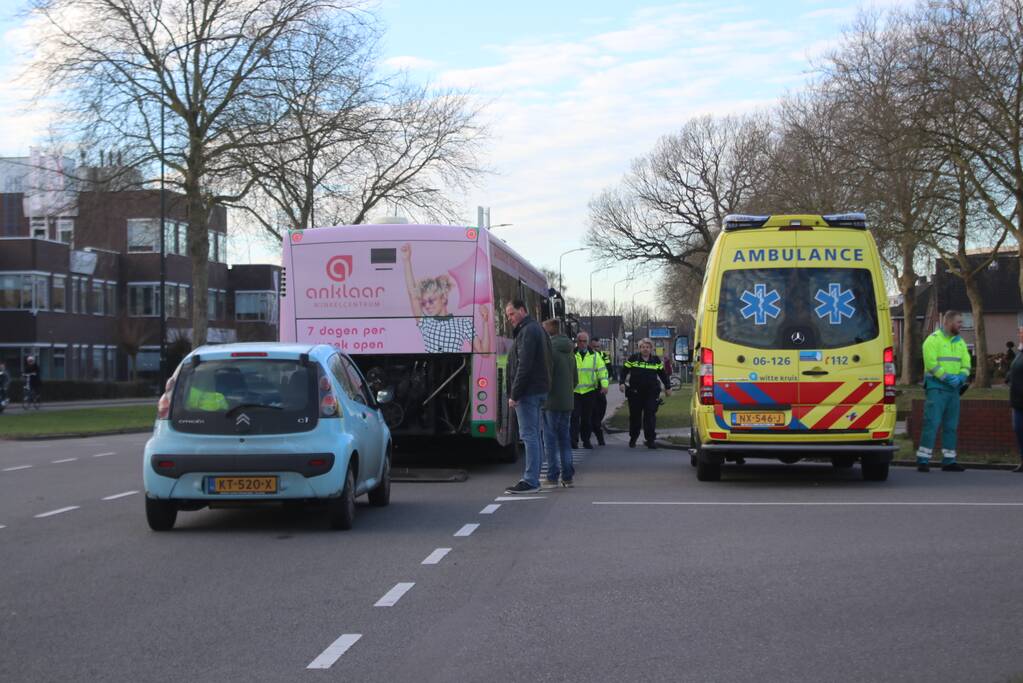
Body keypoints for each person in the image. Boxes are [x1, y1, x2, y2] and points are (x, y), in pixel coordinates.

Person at [400, 243, 492, 353]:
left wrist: (485, 322)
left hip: (455, 369)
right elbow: (412, 294)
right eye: (424, 303)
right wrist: (406, 261)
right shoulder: (425, 323)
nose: (427, 306)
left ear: (443, 298)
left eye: (431, 300)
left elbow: (484, 351)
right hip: (432, 369)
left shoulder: (464, 324)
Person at [504, 300, 552, 494]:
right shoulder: (536, 329)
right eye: (508, 316)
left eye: (512, 314)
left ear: (523, 310)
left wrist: (515, 393)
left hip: (528, 392)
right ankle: (533, 478)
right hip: (537, 389)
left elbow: (524, 365)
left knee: (529, 436)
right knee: (534, 436)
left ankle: (531, 480)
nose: (509, 319)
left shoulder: (528, 331)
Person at [916, 310, 971, 472]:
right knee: (931, 424)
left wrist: (962, 376)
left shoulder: (960, 342)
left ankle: (949, 460)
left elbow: (967, 363)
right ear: (947, 323)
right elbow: (931, 364)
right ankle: (923, 460)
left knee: (951, 426)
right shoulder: (932, 340)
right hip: (937, 388)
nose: (962, 325)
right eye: (959, 322)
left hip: (953, 390)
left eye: (961, 322)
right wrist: (948, 378)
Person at [542, 319, 578, 488]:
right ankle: (568, 477)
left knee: (550, 440)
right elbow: (575, 379)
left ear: (549, 331)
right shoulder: (570, 351)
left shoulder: (548, 350)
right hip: (567, 402)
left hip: (550, 401)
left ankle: (552, 476)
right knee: (564, 439)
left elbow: (545, 376)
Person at [619, 338, 672, 448]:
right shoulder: (633, 359)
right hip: (635, 394)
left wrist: (668, 387)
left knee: (650, 417)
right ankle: (633, 437)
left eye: (647, 347)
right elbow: (624, 371)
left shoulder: (656, 360)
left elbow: (662, 374)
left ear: (651, 349)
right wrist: (621, 383)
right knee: (635, 417)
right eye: (643, 347)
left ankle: (650, 440)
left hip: (651, 394)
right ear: (640, 348)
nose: (645, 349)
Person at [571, 331, 608, 449]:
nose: (582, 344)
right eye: (580, 341)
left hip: (589, 391)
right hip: (574, 391)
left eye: (584, 341)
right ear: (577, 342)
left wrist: (604, 385)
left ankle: (586, 440)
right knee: (574, 417)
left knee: (587, 418)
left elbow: (602, 371)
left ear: (588, 343)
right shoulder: (571, 354)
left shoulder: (595, 356)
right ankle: (573, 440)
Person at [589, 337, 611, 446]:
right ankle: (594, 436)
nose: (596, 349)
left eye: (598, 347)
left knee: (601, 407)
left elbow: (608, 370)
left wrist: (605, 382)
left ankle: (596, 426)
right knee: (589, 413)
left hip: (600, 387)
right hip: (588, 387)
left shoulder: (603, 356)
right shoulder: (586, 355)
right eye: (594, 347)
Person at [1007, 329, 1023, 473]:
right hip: (1017, 401)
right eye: (1019, 332)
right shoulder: (1019, 353)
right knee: (1018, 430)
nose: (1020, 334)